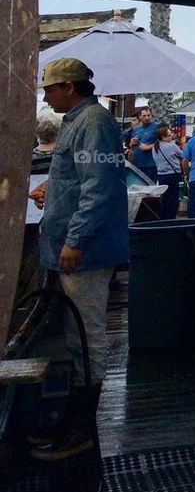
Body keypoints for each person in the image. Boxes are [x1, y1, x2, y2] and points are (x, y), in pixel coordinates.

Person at [33, 57, 128, 460]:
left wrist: (75, 241)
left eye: (50, 89)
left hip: (83, 253)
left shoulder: (92, 123)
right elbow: (78, 181)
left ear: (70, 87)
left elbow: (99, 189)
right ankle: (73, 422)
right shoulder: (79, 120)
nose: (46, 95)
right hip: (72, 248)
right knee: (77, 338)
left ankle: (82, 430)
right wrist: (50, 194)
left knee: (86, 338)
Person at [152, 123, 184, 221]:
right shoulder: (172, 146)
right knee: (172, 200)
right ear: (163, 137)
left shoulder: (155, 147)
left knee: (164, 199)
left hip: (161, 175)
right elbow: (184, 155)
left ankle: (163, 218)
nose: (171, 136)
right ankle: (170, 219)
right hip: (172, 175)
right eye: (169, 135)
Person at [127, 106, 158, 181]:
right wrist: (131, 144)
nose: (147, 117)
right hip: (137, 164)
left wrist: (149, 147)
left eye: (148, 115)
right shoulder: (136, 129)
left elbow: (164, 142)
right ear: (139, 117)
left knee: (150, 188)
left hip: (151, 165)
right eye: (144, 116)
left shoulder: (156, 127)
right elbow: (131, 147)